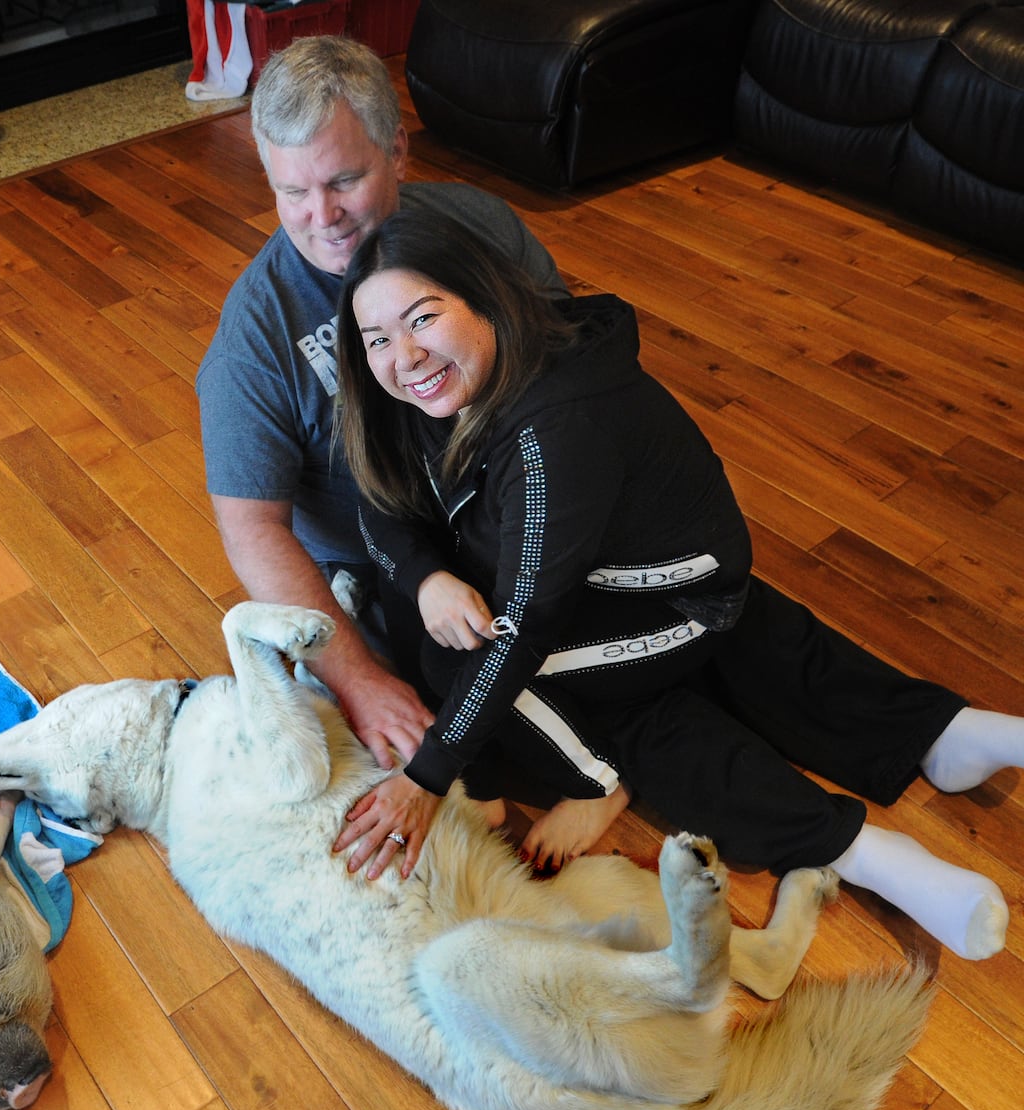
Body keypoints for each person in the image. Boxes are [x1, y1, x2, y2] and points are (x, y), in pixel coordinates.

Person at [328, 202, 1015, 961]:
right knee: (715, 643)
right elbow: (380, 502)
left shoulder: (554, 427)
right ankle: (938, 732)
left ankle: (861, 853)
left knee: (514, 673)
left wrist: (427, 777)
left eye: (424, 319)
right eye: (378, 339)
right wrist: (426, 579)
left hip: (678, 601)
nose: (405, 355)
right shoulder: (431, 390)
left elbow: (523, 630)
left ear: (486, 296)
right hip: (661, 578)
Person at [197, 34, 632, 857]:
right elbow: (252, 525)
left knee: (607, 600)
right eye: (290, 191)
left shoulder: (481, 225)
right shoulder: (251, 341)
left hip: (511, 498)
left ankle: (605, 765)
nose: (318, 218)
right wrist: (360, 682)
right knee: (433, 672)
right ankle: (534, 761)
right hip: (391, 551)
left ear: (397, 149)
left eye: (343, 180)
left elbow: (569, 381)